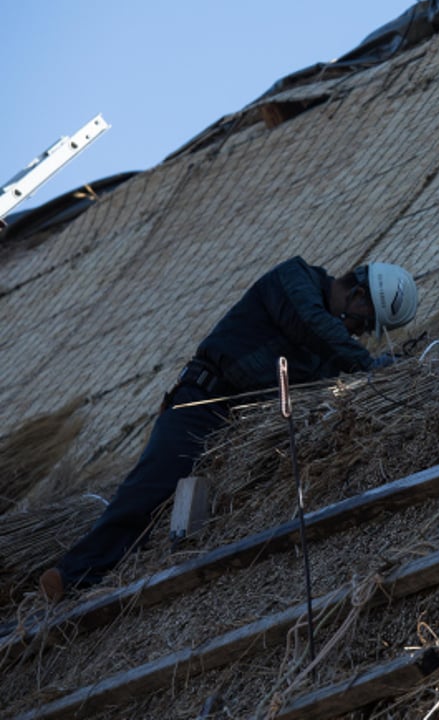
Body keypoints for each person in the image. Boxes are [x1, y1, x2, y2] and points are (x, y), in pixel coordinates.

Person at [38, 256, 419, 602]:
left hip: (239, 431)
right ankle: (73, 575)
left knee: (189, 518)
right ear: (358, 296)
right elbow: (312, 326)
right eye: (363, 324)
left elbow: (331, 374)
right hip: (202, 402)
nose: (357, 335)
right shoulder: (293, 279)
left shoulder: (329, 343)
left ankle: (124, 587)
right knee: (152, 487)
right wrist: (368, 366)